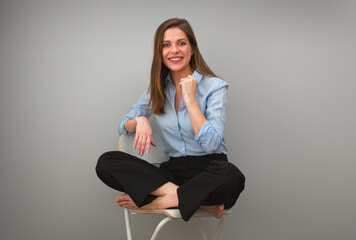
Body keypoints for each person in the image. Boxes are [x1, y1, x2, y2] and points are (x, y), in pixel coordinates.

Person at [96, 18, 245, 222]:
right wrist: (140, 120)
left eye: (181, 43)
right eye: (166, 45)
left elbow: (212, 145)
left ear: (192, 48)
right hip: (172, 173)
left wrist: (191, 100)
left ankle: (162, 201)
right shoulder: (157, 89)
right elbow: (123, 125)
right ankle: (191, 199)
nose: (174, 50)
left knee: (232, 176)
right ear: (160, 52)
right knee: (106, 161)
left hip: (209, 170)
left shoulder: (214, 86)